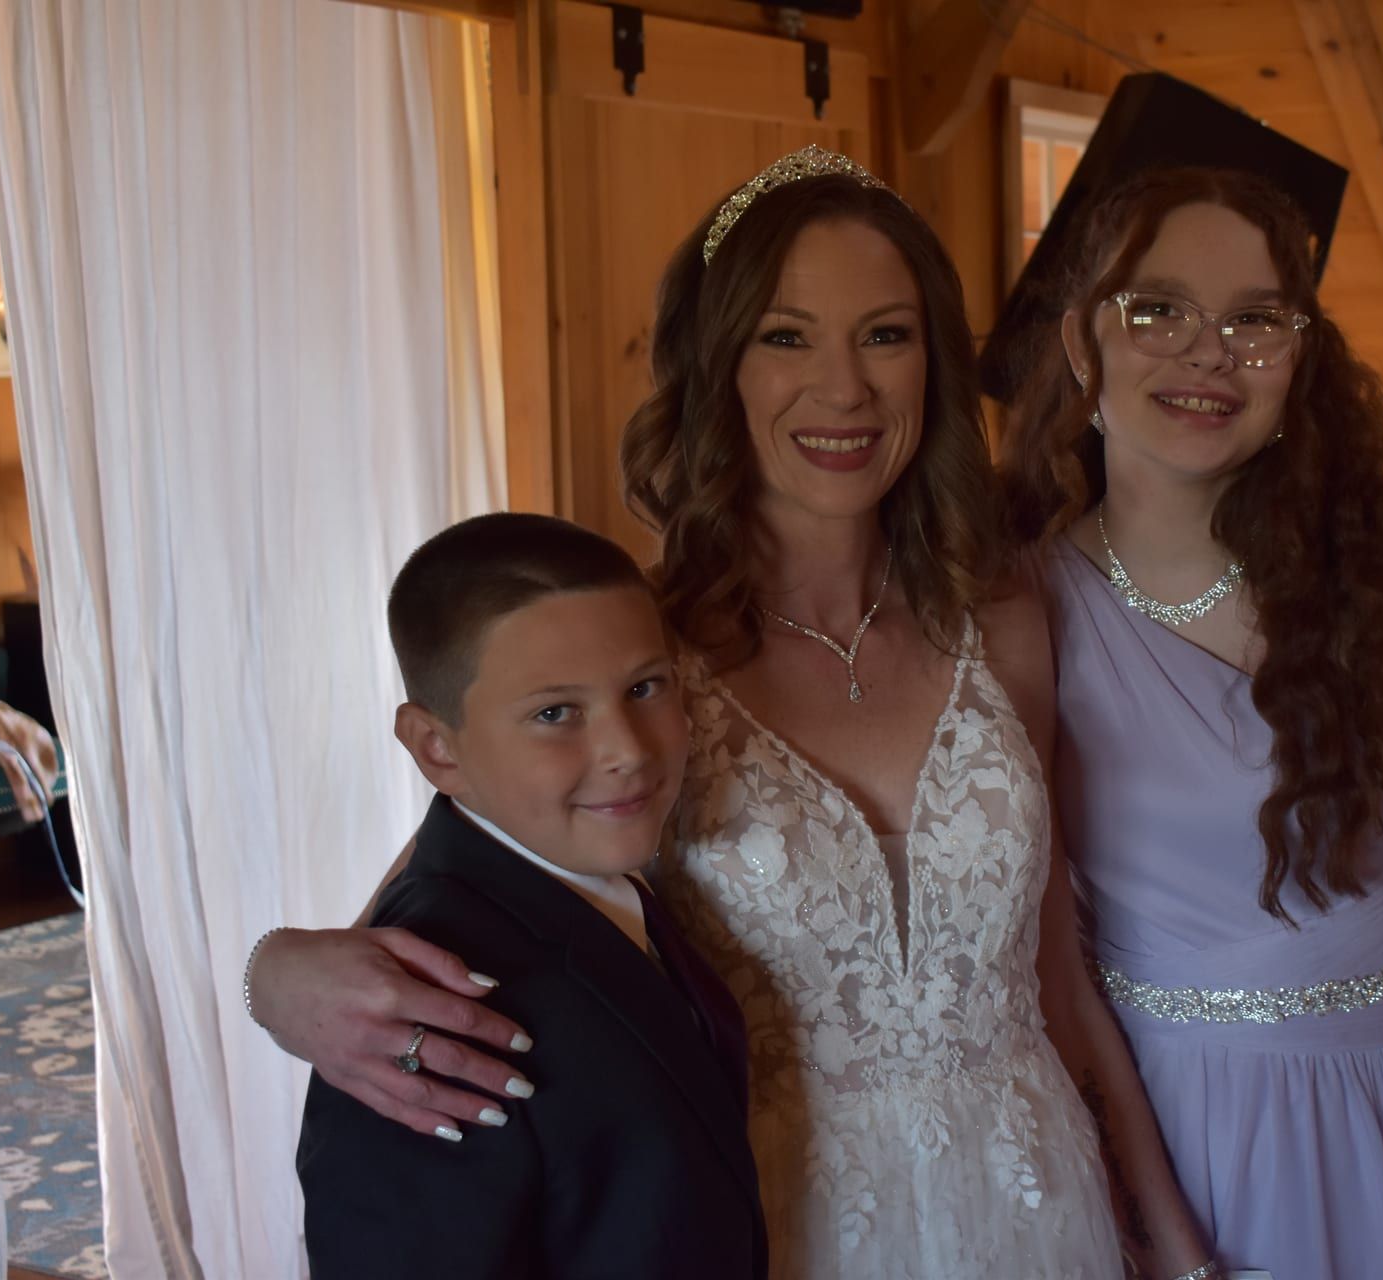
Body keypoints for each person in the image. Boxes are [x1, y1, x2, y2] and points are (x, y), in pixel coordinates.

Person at [253, 148, 1219, 1280]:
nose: (845, 387)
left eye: (886, 334)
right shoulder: (647, 662)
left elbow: (1057, 978)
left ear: (933, 369)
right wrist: (276, 975)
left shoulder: (1002, 617)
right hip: (773, 1221)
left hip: (1035, 1207)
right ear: (719, 366)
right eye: (785, 334)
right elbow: (450, 890)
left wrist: (1172, 1241)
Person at [1001, 166, 1383, 1279]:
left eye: (1255, 319)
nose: (1210, 352)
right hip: (1153, 1127)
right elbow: (1052, 965)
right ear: (1081, 342)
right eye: (1159, 310)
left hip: (1378, 1109)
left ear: (1301, 357)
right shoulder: (1023, 607)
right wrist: (1158, 1232)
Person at [293, 513, 765, 1279]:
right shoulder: (425, 1012)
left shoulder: (594, 883)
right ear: (435, 748)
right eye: (555, 713)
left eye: (645, 687)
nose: (629, 752)